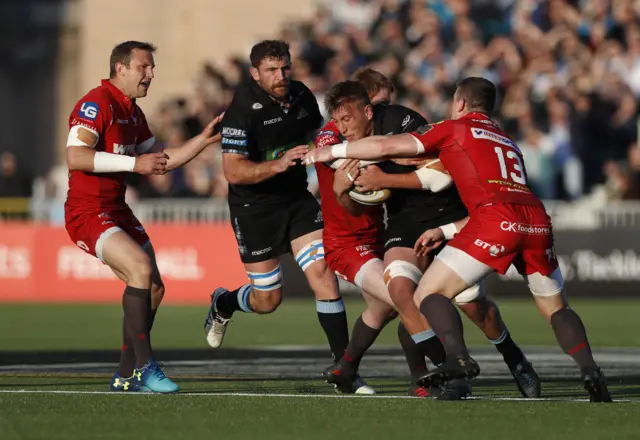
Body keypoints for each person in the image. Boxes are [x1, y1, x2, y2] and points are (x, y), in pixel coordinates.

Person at [303, 77, 612, 402]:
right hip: (533, 218)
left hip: (478, 217)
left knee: (442, 297)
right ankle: (589, 370)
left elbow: (394, 153)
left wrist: (332, 153)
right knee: (555, 307)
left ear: (459, 103)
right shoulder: (506, 139)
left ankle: (473, 359)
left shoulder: (443, 126)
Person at [202, 40, 373, 393]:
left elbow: (322, 134)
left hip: (296, 200)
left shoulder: (301, 96)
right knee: (268, 301)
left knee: (323, 276)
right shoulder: (242, 111)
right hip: (254, 210)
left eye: (284, 68)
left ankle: (345, 370)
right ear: (255, 73)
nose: (280, 76)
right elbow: (233, 173)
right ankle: (224, 302)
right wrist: (278, 164)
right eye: (271, 70)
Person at [65, 41, 223, 393]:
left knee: (153, 287)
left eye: (152, 68)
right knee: (139, 267)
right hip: (86, 213)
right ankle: (145, 367)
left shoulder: (133, 113)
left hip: (116, 210)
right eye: (144, 67)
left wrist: (201, 141)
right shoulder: (96, 104)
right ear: (120, 68)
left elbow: (161, 162)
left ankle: (125, 375)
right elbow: (76, 157)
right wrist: (134, 164)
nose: (150, 74)